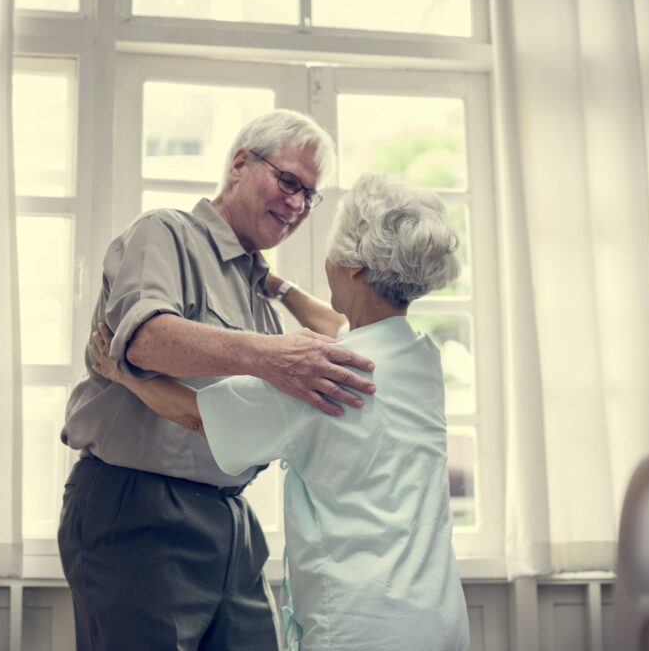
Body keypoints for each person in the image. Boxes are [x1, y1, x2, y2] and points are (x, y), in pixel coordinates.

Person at [89, 173, 470, 650]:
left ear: (351, 266)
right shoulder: (419, 357)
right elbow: (344, 326)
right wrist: (279, 287)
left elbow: (197, 415)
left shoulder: (317, 377)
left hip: (362, 624)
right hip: (436, 617)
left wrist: (121, 373)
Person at [58, 109, 377, 651]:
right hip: (139, 509)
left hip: (232, 519)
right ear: (239, 164)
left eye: (309, 195)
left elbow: (348, 334)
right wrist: (273, 355)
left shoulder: (256, 285)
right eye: (288, 182)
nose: (298, 205)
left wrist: (276, 288)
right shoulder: (165, 233)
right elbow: (144, 340)